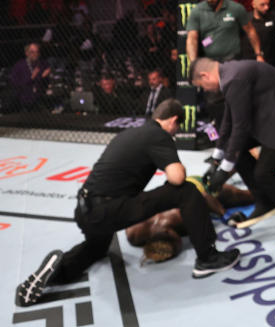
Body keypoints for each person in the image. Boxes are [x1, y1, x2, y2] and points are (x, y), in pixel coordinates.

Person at [14, 99, 239, 307]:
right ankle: (208, 258)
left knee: (97, 248)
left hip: (86, 210)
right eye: (177, 127)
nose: (176, 132)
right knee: (187, 190)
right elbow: (177, 177)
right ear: (172, 121)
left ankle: (57, 271)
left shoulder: (129, 133)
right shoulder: (158, 135)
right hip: (109, 210)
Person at [191, 57, 275, 253]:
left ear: (204, 75)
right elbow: (229, 121)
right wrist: (217, 159)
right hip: (271, 115)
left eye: (202, 86)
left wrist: (224, 172)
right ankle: (264, 201)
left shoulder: (233, 79)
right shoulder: (229, 75)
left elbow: (241, 127)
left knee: (264, 174)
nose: (205, 90)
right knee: (237, 152)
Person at [186, 0, 264, 66]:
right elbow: (192, 38)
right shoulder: (197, 11)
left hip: (233, 61)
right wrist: (193, 63)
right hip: (208, 63)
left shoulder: (236, 8)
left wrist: (258, 54)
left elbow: (250, 31)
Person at [7, 42, 50, 112]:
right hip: (24, 98)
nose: (35, 54)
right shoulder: (19, 66)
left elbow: (45, 81)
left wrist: (42, 77)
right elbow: (16, 84)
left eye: (37, 52)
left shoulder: (43, 64)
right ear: (27, 53)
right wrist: (32, 78)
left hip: (40, 97)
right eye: (32, 52)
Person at [240, 0, 275, 66]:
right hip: (249, 63)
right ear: (253, 4)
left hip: (269, 63)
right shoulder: (246, 20)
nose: (266, 7)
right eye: (262, 5)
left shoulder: (273, 18)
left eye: (268, 4)